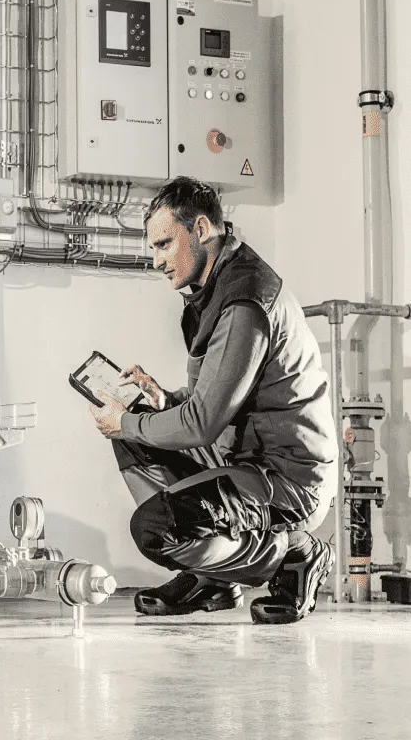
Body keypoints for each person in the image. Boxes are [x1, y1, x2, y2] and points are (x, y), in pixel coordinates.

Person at [88, 176, 337, 625]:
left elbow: (203, 422)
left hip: (288, 481)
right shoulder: (216, 287)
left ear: (201, 230)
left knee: (154, 530)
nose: (156, 260)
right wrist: (163, 398)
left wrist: (126, 422)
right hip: (246, 460)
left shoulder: (246, 298)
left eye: (164, 244)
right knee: (136, 429)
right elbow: (224, 394)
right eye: (153, 248)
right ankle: (214, 579)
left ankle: (297, 553)